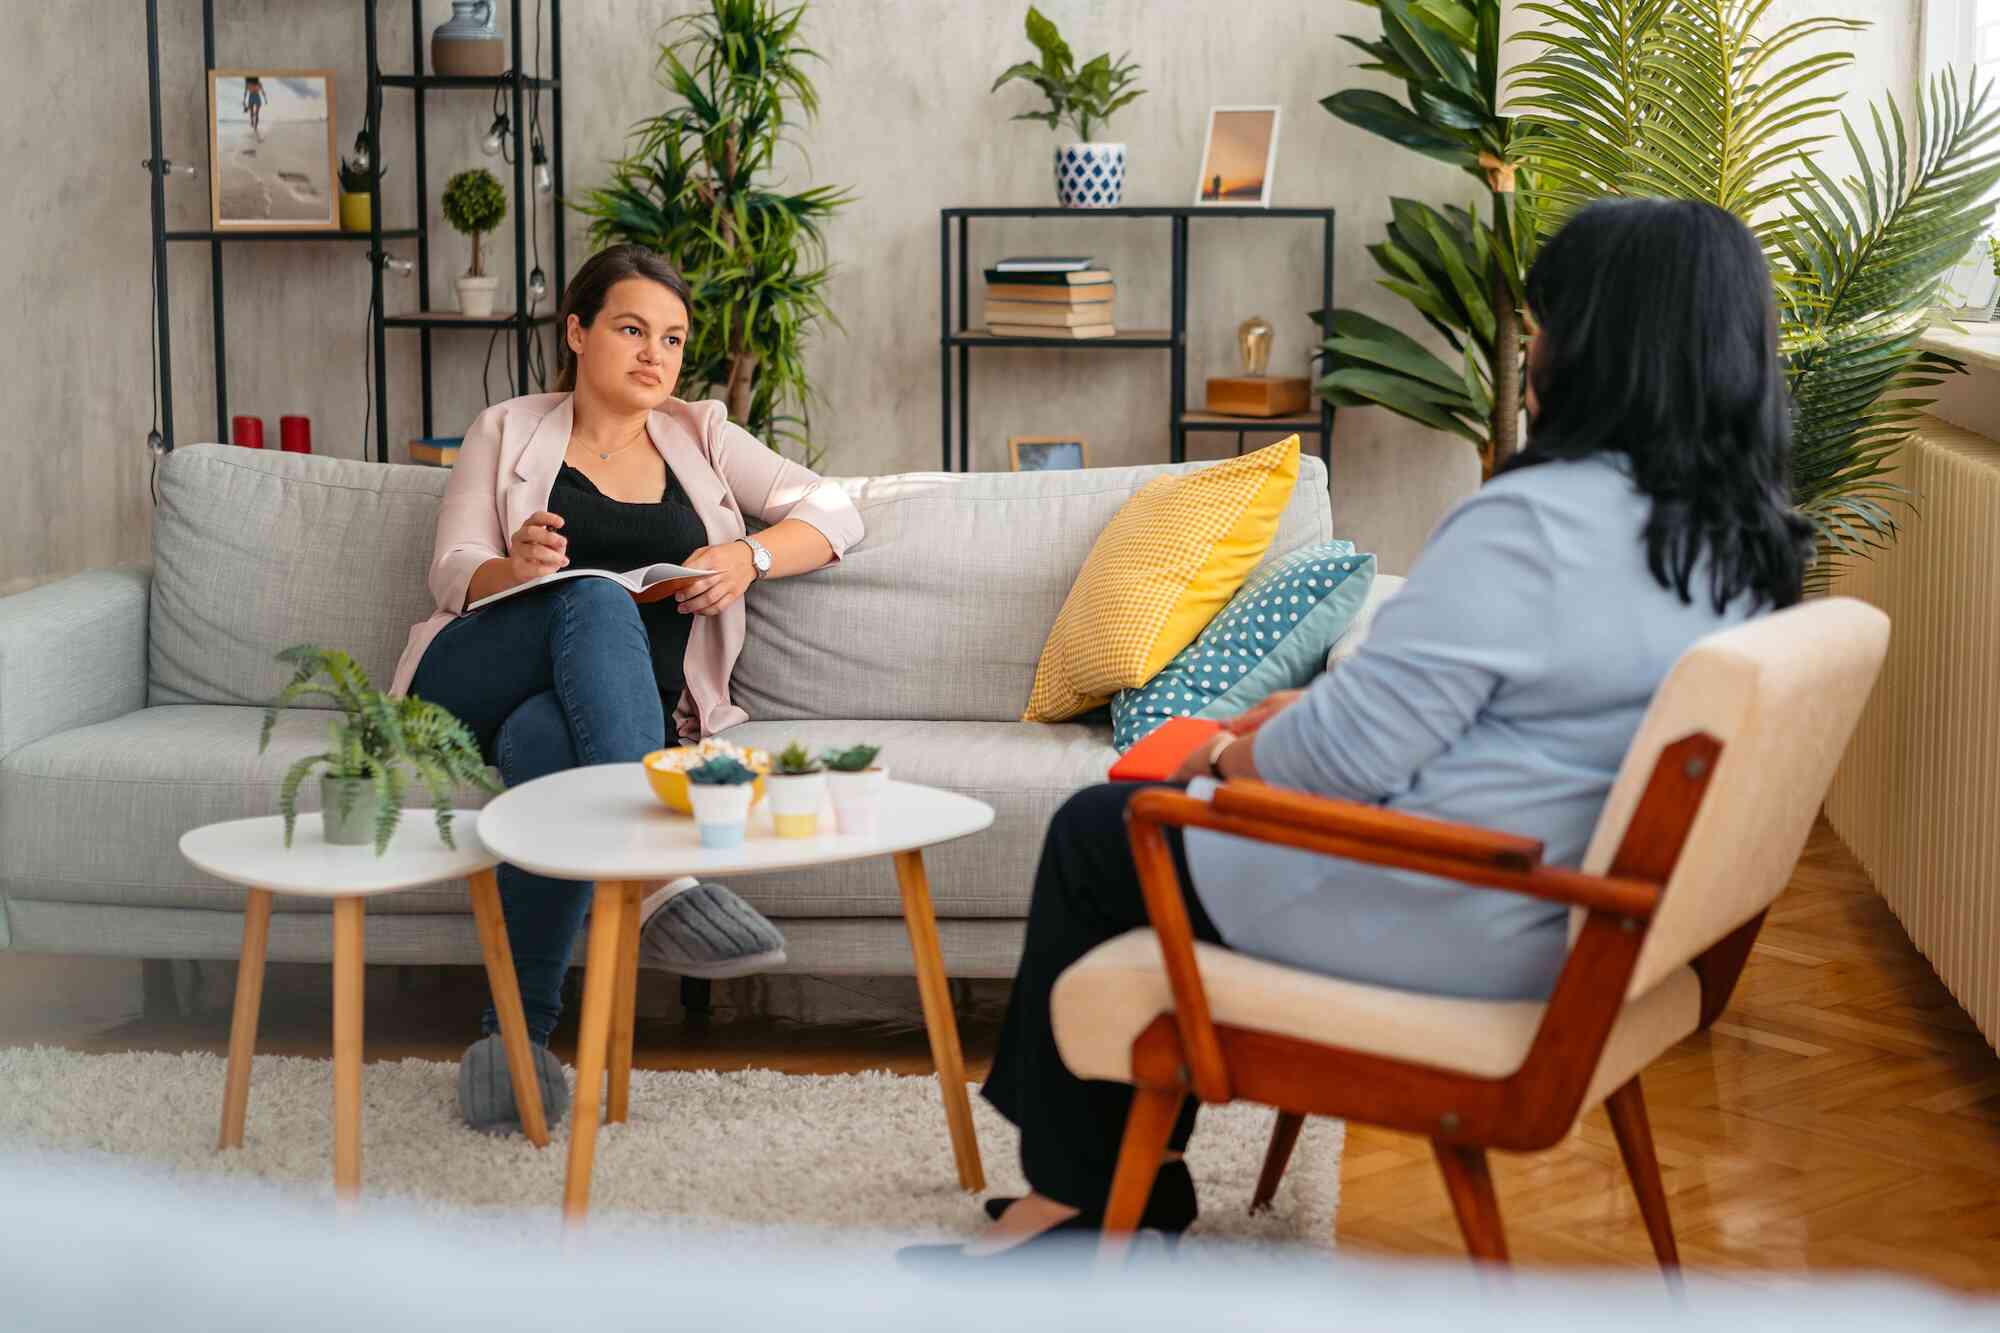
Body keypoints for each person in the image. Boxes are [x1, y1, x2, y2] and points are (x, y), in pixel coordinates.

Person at [903, 198, 1815, 1268]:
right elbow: (1518, 722)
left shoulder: (1533, 521)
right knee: (1135, 822)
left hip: (1456, 912)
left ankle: (1082, 1204)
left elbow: (1339, 764)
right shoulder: (1742, 541)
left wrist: (1225, 750)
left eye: (1546, 321)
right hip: (1579, 924)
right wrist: (1307, 721)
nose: (1531, 348)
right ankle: (1119, 1179)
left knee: (1108, 826)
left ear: (1600, 344)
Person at [388, 244, 864, 1134]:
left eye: (674, 340)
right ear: (578, 332)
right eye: (633, 329)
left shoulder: (703, 435)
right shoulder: (507, 427)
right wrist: (510, 567)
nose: (656, 355)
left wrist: (746, 556)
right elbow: (450, 567)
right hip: (476, 673)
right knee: (593, 596)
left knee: (550, 748)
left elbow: (838, 509)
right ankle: (656, 878)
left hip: (599, 713)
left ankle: (513, 1047)